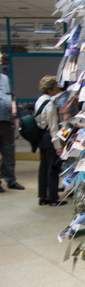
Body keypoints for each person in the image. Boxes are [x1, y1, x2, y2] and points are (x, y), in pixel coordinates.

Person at [35, 76, 67, 206]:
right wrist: (58, 146)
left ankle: (42, 196)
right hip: (49, 137)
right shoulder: (50, 104)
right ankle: (53, 198)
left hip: (41, 136)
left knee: (43, 166)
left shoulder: (40, 100)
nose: (58, 88)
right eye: (56, 86)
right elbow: (53, 127)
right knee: (53, 168)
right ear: (51, 89)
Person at [0, 55, 25, 192]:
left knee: (9, 151)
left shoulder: (5, 78)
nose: (1, 62)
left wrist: (13, 106)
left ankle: (10, 179)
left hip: (6, 120)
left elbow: (11, 95)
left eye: (1, 60)